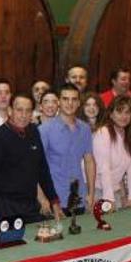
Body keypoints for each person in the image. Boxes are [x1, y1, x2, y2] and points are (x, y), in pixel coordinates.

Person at [0, 94, 63, 224]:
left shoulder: (34, 132)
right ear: (10, 110)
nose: (24, 115)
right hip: (5, 209)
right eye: (19, 110)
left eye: (28, 110)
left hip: (30, 207)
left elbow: (42, 169)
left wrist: (54, 200)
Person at [39, 84, 95, 214]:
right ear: (59, 101)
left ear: (79, 103)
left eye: (74, 99)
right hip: (54, 199)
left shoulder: (85, 129)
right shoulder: (44, 130)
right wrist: (43, 199)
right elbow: (36, 167)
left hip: (79, 198)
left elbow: (89, 161)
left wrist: (91, 193)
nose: (70, 103)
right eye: (65, 99)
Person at [93, 95, 131, 210]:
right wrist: (109, 200)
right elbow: (103, 169)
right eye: (119, 112)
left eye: (127, 112)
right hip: (97, 189)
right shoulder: (103, 132)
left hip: (115, 189)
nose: (123, 116)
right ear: (111, 114)